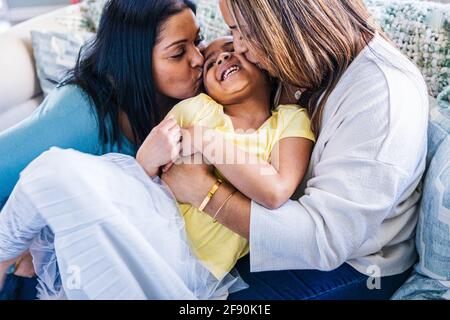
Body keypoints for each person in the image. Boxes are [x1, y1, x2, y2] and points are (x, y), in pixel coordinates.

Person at [0, 36, 315, 299]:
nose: (221, 59)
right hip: (148, 221)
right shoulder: (196, 109)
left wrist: (206, 141)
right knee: (56, 169)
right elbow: (142, 177)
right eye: (210, 62)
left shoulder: (289, 119)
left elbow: (274, 192)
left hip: (190, 268)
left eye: (231, 50)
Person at [157, 0, 430, 299]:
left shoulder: (381, 98)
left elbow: (324, 240)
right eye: (232, 32)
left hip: (356, 265)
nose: (240, 48)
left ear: (285, 20)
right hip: (276, 233)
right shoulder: (303, 58)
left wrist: (204, 193)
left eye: (242, 32)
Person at [0, 0, 204, 299]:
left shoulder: (185, 101)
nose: (198, 58)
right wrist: (15, 255)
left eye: (198, 41)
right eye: (177, 53)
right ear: (134, 60)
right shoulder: (80, 113)